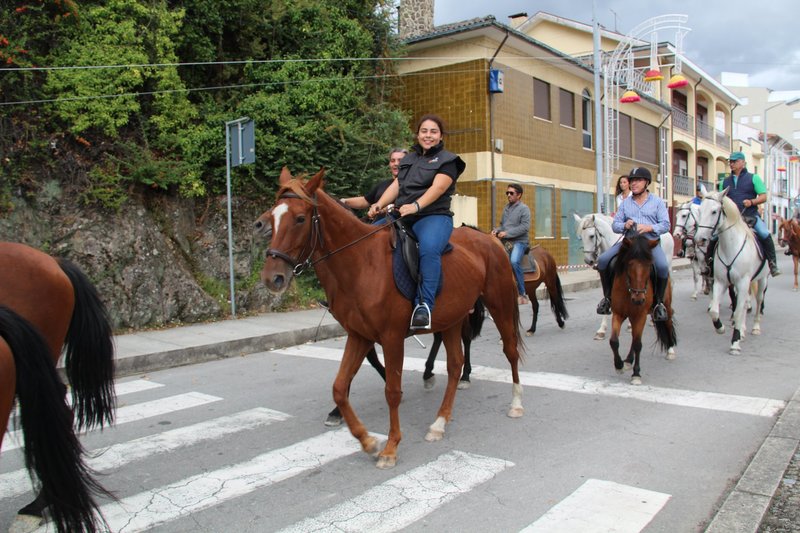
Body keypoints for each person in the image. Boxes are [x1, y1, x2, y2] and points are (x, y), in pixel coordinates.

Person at [368, 114, 466, 330]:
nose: (428, 135)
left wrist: (416, 206)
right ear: (418, 134)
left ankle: (424, 306)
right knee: (366, 239)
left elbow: (437, 188)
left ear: (441, 136)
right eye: (424, 131)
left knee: (429, 249)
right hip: (402, 216)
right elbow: (397, 186)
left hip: (433, 217)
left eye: (433, 131)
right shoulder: (409, 159)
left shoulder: (449, 161)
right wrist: (379, 204)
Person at [595, 167, 671, 321]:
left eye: (638, 180)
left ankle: (658, 304)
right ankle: (607, 299)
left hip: (649, 243)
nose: (633, 184)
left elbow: (665, 224)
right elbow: (615, 225)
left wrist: (649, 227)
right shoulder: (625, 203)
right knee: (603, 260)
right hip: (629, 242)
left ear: (646, 183)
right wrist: (625, 225)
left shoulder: (657, 202)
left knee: (662, 266)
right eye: (632, 181)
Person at [715, 151, 780, 276]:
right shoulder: (725, 181)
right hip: (730, 219)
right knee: (713, 237)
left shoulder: (754, 178)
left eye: (734, 161)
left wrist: (752, 201)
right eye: (730, 161)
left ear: (743, 163)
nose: (731, 164)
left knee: (765, 233)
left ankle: (772, 264)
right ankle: (709, 266)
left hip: (750, 216)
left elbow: (764, 196)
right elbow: (720, 198)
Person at [341, 148, 408, 223]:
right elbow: (365, 200)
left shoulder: (412, 184)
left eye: (400, 160)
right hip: (374, 226)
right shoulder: (383, 184)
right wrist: (344, 201)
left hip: (396, 226)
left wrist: (383, 209)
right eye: (392, 161)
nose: (396, 163)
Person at [492, 183, 531, 305]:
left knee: (514, 261)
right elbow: (503, 225)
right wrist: (496, 230)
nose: (508, 195)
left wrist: (506, 233)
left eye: (511, 193)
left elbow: (525, 227)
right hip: (506, 240)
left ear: (519, 195)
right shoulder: (506, 208)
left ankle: (522, 292)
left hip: (520, 242)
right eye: (507, 193)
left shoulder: (524, 209)